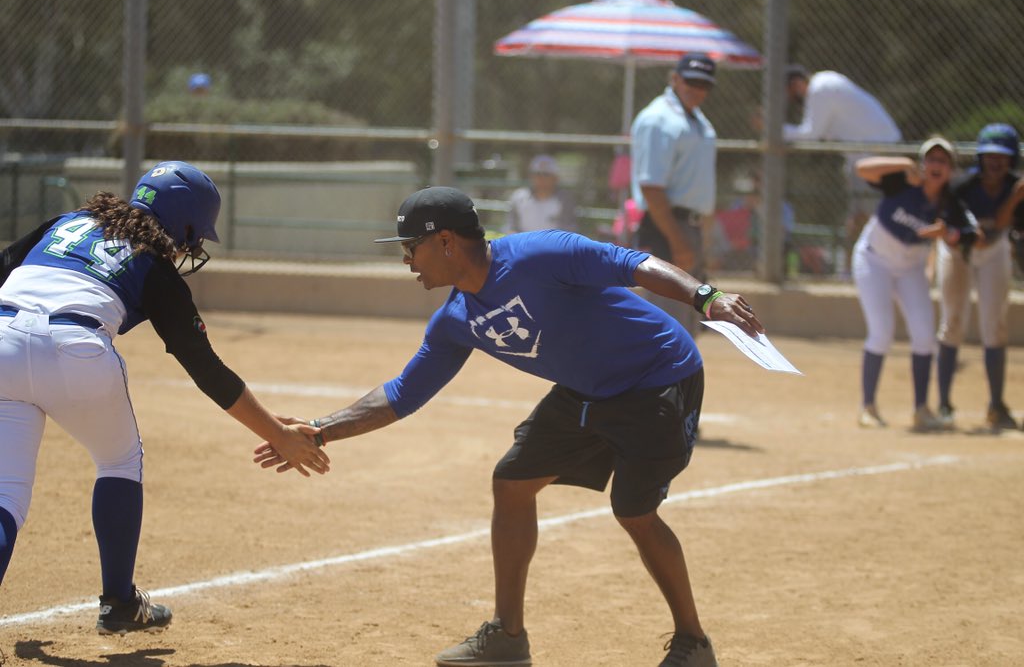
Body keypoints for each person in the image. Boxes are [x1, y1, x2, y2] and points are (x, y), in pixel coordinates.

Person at [255, 186, 764, 667]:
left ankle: (694, 643)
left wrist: (705, 296)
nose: (406, 260)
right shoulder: (455, 319)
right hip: (584, 390)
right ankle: (507, 637)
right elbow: (403, 393)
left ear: (446, 241)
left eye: (411, 247)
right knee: (513, 482)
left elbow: (632, 263)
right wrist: (320, 429)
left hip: (656, 376)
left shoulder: (539, 254)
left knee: (634, 512)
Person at [0, 161, 330, 633]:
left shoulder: (66, 223)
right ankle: (118, 603)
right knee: (118, 461)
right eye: (195, 237)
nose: (192, 248)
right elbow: (206, 369)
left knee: (6, 494)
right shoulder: (152, 263)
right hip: (76, 347)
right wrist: (277, 434)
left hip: (1, 340)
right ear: (186, 226)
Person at [851, 137, 968, 431]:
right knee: (881, 331)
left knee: (924, 334)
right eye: (932, 159)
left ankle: (921, 409)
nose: (936, 166)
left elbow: (966, 234)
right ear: (922, 164)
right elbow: (861, 168)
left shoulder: (949, 203)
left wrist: (948, 234)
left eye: (944, 161)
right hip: (874, 260)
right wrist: (904, 164)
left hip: (910, 268)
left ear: (951, 170)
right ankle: (868, 407)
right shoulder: (902, 182)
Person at [935, 123, 1022, 430]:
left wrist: (1014, 197)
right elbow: (970, 235)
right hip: (959, 252)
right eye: (989, 155)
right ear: (980, 157)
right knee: (953, 322)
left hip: (995, 250)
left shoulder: (1017, 187)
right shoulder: (962, 188)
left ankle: (996, 405)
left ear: (1012, 159)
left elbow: (1003, 229)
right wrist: (1012, 200)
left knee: (995, 325)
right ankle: (944, 404)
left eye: (1003, 156)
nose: (995, 162)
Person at [783, 64, 902, 277]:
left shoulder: (820, 89)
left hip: (874, 155)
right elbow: (828, 133)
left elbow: (810, 134)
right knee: (857, 216)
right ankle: (848, 270)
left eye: (792, 94)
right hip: (864, 156)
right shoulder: (827, 82)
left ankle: (887, 267)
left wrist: (775, 128)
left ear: (797, 84)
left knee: (878, 215)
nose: (794, 100)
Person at [630, 52, 718, 337]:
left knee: (688, 318)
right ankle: (658, 381)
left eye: (704, 84)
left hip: (688, 225)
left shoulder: (695, 118)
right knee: (668, 320)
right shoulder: (659, 119)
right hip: (666, 225)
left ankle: (678, 381)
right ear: (675, 79)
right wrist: (677, 241)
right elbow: (652, 187)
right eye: (690, 81)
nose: (697, 89)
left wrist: (702, 235)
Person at [503, 154, 578, 234]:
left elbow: (568, 230)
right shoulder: (519, 197)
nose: (541, 178)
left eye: (546, 174)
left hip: (553, 245)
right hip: (523, 244)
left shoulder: (564, 200)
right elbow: (511, 227)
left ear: (555, 178)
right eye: (537, 174)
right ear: (531, 176)